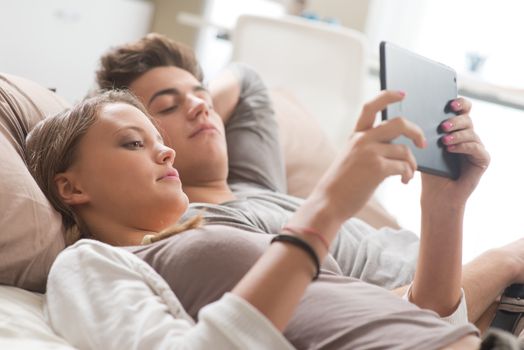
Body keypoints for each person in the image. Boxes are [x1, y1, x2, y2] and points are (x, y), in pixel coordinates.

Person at [95, 33, 523, 330]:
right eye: (167, 107)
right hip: (486, 309)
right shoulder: (209, 230)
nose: (200, 108)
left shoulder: (251, 179)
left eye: (203, 96)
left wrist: (193, 104)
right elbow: (377, 321)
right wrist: (503, 260)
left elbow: (248, 80)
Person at [26, 89, 487, 349]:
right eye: (132, 143)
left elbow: (414, 318)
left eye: (158, 138)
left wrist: (443, 205)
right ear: (72, 188)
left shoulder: (224, 225)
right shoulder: (89, 264)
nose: (166, 150)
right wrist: (323, 211)